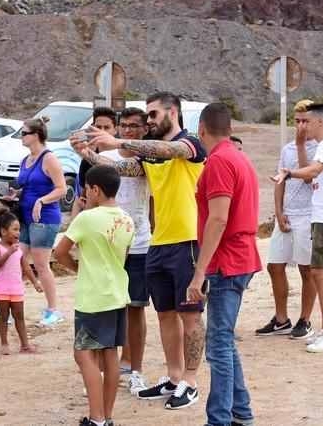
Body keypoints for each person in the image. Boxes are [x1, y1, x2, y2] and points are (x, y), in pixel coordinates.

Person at [72, 91, 207, 410]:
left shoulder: (189, 143)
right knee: (165, 314)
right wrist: (87, 153)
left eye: (153, 114)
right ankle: (174, 377)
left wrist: (118, 142)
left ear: (172, 113)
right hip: (159, 242)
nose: (148, 120)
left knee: (190, 315)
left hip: (188, 240)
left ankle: (190, 380)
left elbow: (169, 149)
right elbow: (121, 170)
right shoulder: (151, 155)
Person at [187, 103, 262, 426]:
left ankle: (219, 419)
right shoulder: (238, 157)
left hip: (226, 261)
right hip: (238, 257)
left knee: (217, 345)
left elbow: (218, 219)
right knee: (224, 341)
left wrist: (199, 271)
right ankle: (241, 413)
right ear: (230, 129)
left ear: (202, 130)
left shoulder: (218, 162)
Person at [53, 165, 135, 426]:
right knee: (110, 353)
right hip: (118, 293)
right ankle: (107, 417)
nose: (85, 195)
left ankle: (97, 419)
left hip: (93, 297)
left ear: (96, 189)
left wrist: (79, 268)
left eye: (86, 189)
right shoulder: (127, 219)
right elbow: (123, 257)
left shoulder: (87, 218)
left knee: (84, 354)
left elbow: (60, 252)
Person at [271, 103, 323, 353]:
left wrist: (288, 174)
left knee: (321, 272)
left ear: (319, 122)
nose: (302, 126)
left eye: (306, 121)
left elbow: (314, 171)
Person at [256, 99, 319, 339]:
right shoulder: (287, 149)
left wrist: (302, 146)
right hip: (288, 213)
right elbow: (280, 181)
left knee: (307, 269)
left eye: (306, 121)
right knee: (275, 266)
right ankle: (281, 319)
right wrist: (278, 212)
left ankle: (305, 319)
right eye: (298, 121)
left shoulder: (318, 148)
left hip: (308, 214)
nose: (301, 125)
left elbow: (306, 178)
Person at [102, 107, 152, 394]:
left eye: (135, 126)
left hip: (140, 244)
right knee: (107, 310)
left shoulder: (148, 158)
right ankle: (107, 371)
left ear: (145, 130)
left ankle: (135, 369)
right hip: (108, 246)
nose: (128, 130)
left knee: (135, 309)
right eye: (124, 126)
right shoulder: (105, 157)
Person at [7, 117, 66, 328]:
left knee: (41, 264)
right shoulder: (26, 159)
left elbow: (62, 188)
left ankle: (53, 310)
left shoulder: (48, 158)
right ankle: (8, 306)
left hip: (45, 217)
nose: (21, 137)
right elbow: (25, 187)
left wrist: (42, 200)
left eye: (24, 133)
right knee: (15, 259)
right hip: (25, 217)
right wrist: (12, 195)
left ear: (35, 135)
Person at [0, 206, 43, 355]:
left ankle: (25, 344)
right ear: (3, 231)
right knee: (3, 316)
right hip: (2, 288)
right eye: (15, 229)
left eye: (19, 229)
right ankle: (4, 343)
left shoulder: (19, 249)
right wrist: (9, 253)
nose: (18, 233)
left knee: (19, 316)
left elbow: (26, 268)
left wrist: (35, 282)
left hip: (16, 288)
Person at [70, 107, 119, 220]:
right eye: (98, 127)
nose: (101, 131)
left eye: (107, 127)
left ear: (115, 129)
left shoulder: (123, 156)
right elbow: (81, 198)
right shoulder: (86, 160)